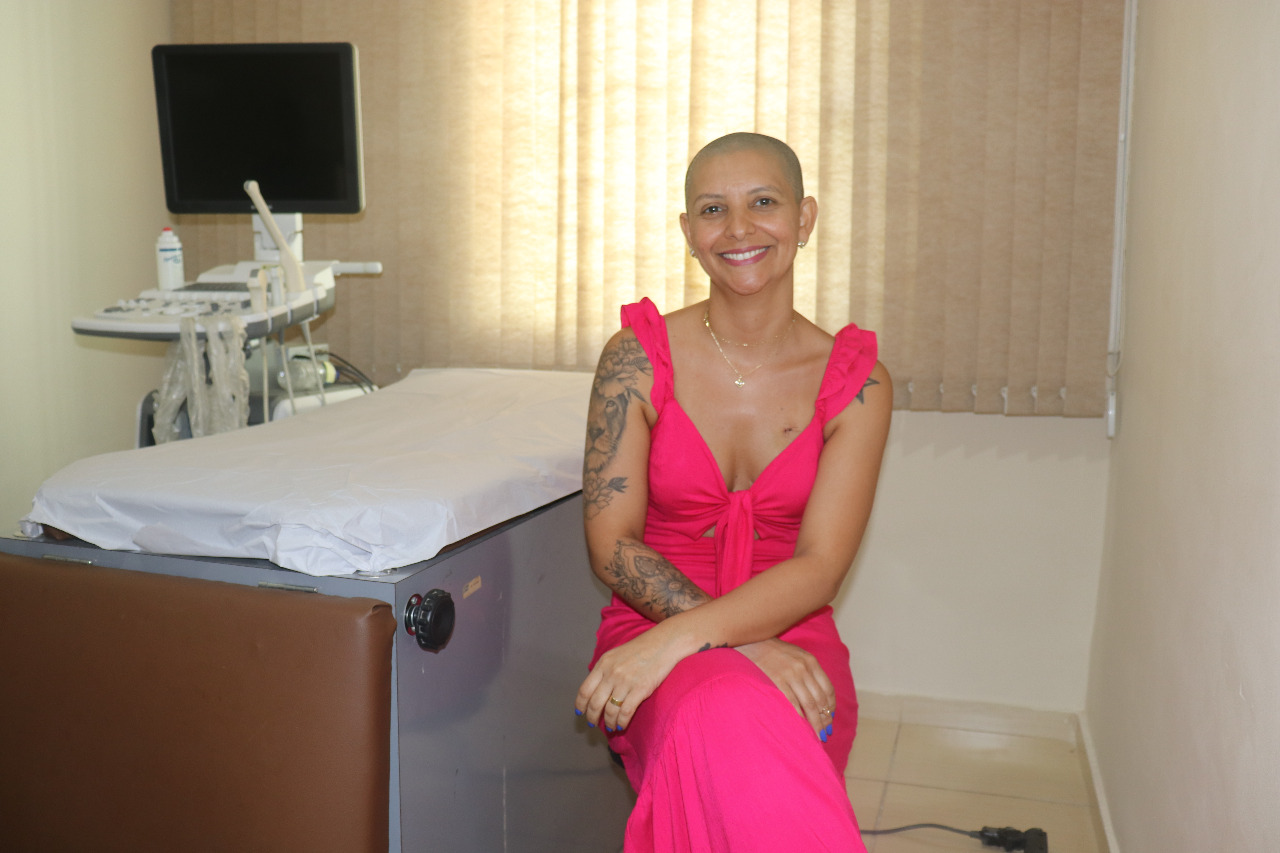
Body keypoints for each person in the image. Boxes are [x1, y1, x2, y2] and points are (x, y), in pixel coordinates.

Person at [574, 131, 892, 852]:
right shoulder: (635, 358)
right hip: (652, 623)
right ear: (689, 232)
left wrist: (720, 640)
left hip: (790, 638)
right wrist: (734, 647)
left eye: (764, 203)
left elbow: (821, 566)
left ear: (804, 219)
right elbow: (611, 544)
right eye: (714, 209)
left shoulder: (859, 382)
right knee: (726, 718)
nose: (739, 228)